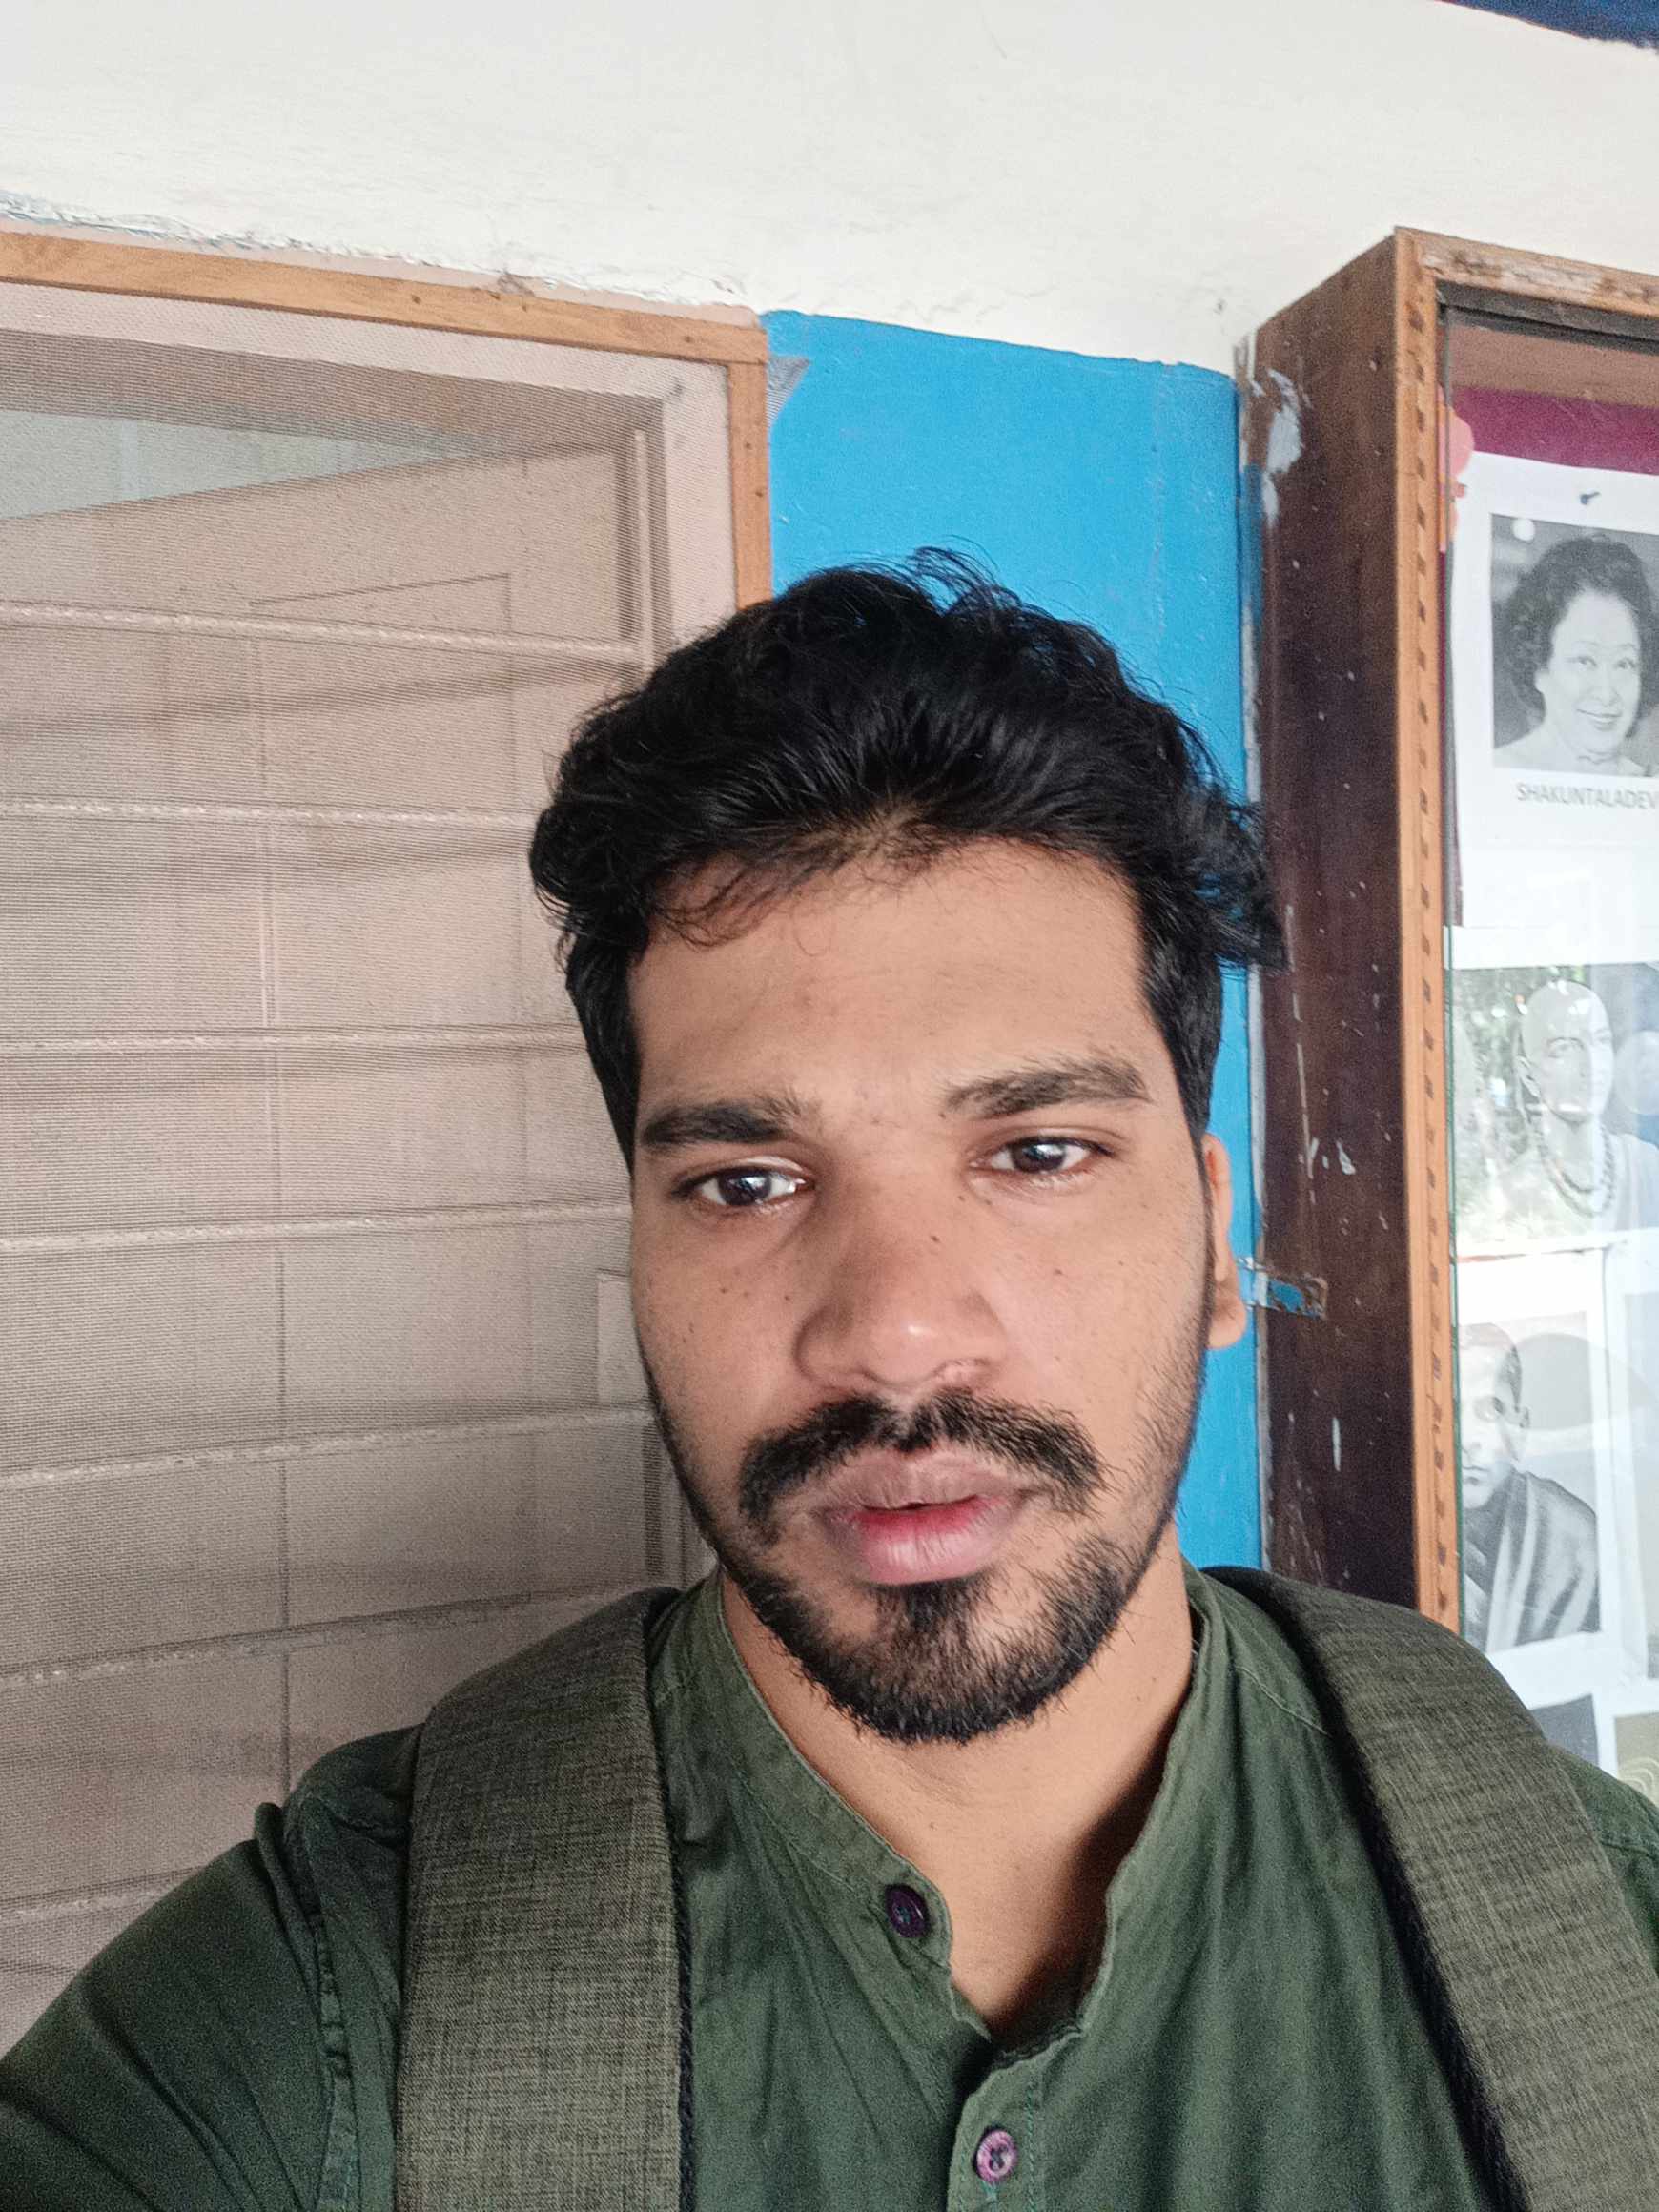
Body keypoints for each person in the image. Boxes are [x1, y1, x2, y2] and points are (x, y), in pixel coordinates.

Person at [6, 557, 1659, 2210]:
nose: (896, 1335)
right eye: (747, 1182)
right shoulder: (313, 2006)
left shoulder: (1602, 1939)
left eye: (1037, 1152)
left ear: (1219, 1247)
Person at [1458, 1322, 1599, 1652]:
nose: (1468, 1439)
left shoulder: (1575, 1537)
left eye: (1490, 1410)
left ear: (1520, 1429)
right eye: (1450, 1410)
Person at [1501, 975, 1659, 1234]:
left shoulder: (1648, 1166)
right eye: (1564, 1049)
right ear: (1528, 1076)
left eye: (1601, 1041)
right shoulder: (1510, 1193)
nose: (1591, 1065)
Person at [1495, 532, 1659, 777]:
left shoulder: (1650, 785)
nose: (1606, 694)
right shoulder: (1496, 774)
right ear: (1539, 666)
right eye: (1585, 661)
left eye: (1624, 664)